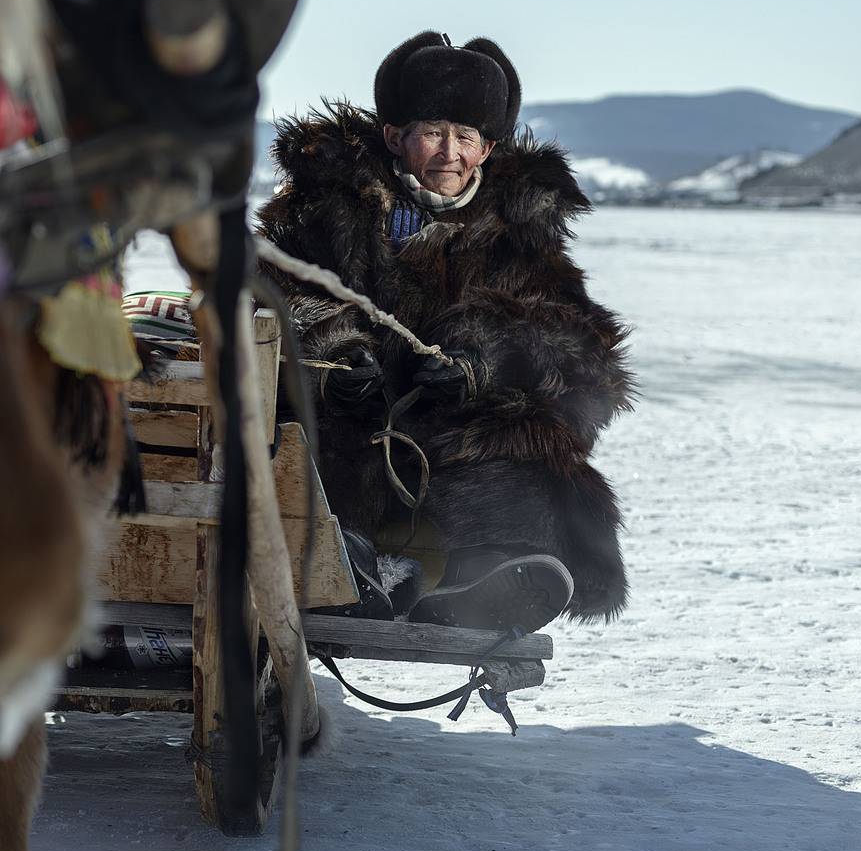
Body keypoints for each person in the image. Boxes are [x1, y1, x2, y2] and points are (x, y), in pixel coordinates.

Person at [256, 32, 634, 633]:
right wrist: (333, 356)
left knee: (530, 442)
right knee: (298, 434)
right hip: (353, 427)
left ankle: (486, 580)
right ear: (395, 136)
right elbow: (267, 295)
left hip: (454, 445)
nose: (449, 152)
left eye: (466, 137)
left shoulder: (521, 232)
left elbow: (587, 356)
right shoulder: (325, 208)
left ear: (488, 148)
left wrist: (483, 361)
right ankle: (346, 568)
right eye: (433, 131)